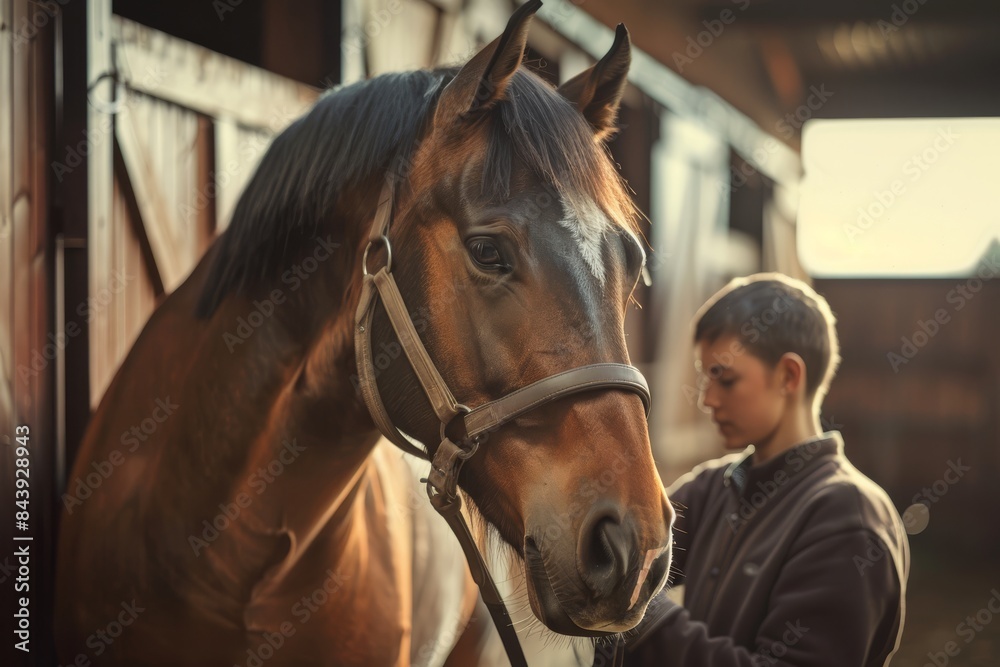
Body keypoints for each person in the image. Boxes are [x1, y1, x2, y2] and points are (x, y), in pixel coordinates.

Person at [597, 273, 909, 666]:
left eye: (726, 380)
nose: (707, 399)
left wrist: (641, 616)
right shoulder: (711, 489)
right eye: (705, 377)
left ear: (789, 376)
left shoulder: (848, 520)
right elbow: (617, 562)